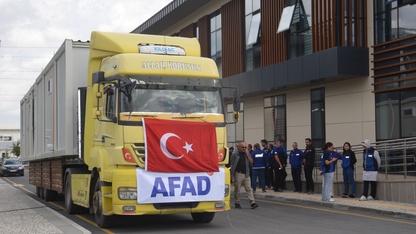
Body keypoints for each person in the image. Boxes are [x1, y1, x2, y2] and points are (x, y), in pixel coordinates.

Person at [230, 142, 259, 209]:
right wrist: (232, 175)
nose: (244, 149)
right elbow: (232, 164)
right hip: (238, 173)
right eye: (242, 147)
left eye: (245, 147)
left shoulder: (247, 154)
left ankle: (252, 202)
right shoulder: (235, 154)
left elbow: (251, 162)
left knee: (249, 189)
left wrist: (247, 155)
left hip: (246, 173)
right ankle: (237, 202)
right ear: (239, 147)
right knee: (237, 189)